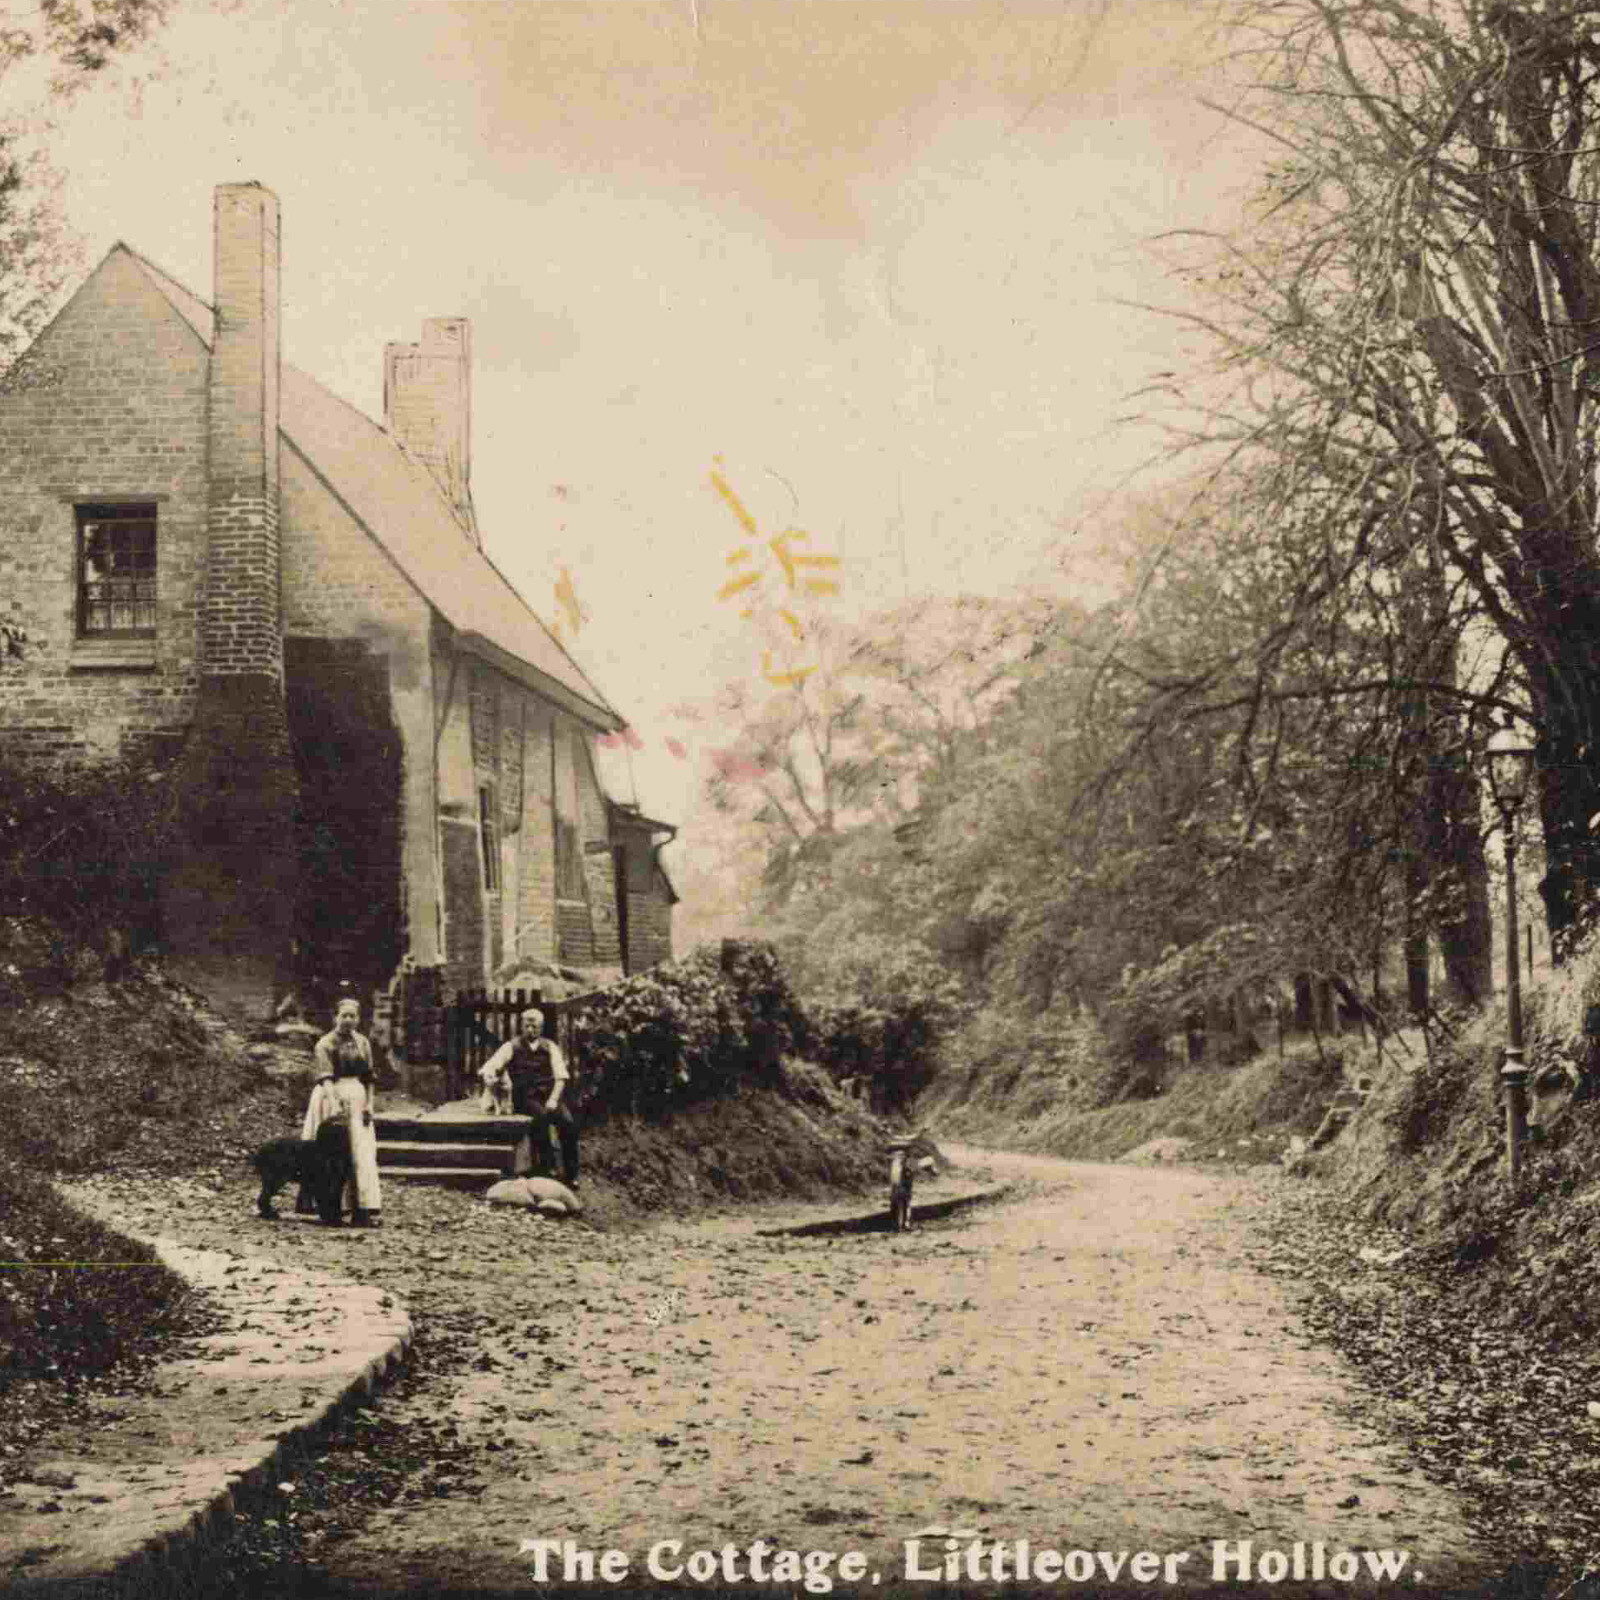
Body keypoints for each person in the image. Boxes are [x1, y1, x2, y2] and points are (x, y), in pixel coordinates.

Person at [306, 998, 383, 1227]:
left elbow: (369, 1078)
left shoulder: (363, 1043)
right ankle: (330, 1207)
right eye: (344, 1016)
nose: (348, 1020)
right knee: (331, 1154)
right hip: (331, 1096)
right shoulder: (325, 1043)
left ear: (358, 1019)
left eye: (353, 1016)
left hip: (358, 1097)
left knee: (361, 1151)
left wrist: (370, 1104)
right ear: (335, 1017)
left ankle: (362, 1207)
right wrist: (334, 1103)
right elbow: (326, 1077)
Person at [481, 1007, 578, 1188]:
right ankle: (546, 1169)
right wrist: (492, 1075)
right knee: (540, 1119)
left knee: (568, 1123)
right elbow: (491, 1065)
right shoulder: (512, 1046)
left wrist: (554, 1099)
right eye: (527, 1026)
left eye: (535, 1027)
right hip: (525, 1097)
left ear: (541, 1028)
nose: (531, 1030)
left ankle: (571, 1175)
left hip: (549, 1095)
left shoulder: (550, 1047)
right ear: (522, 1026)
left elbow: (561, 1078)